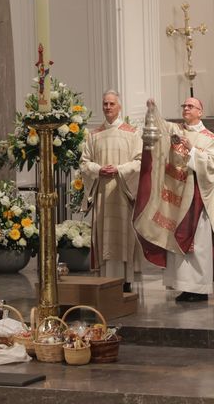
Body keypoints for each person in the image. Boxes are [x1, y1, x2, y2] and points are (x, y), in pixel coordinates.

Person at [133, 98, 214, 303]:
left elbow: (213, 165)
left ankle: (200, 289)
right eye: (184, 106)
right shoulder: (176, 129)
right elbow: (160, 127)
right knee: (175, 241)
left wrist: (192, 149)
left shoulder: (208, 137)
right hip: (175, 199)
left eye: (191, 106)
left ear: (200, 112)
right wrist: (153, 109)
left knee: (198, 245)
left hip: (197, 198)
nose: (186, 108)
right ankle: (184, 286)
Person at [79, 91, 143, 292]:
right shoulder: (93, 135)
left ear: (119, 106)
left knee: (123, 236)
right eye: (105, 103)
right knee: (104, 236)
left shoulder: (133, 133)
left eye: (112, 104)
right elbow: (84, 163)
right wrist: (98, 169)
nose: (108, 107)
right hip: (102, 195)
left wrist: (119, 169)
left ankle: (125, 280)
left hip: (123, 192)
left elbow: (140, 161)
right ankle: (104, 280)